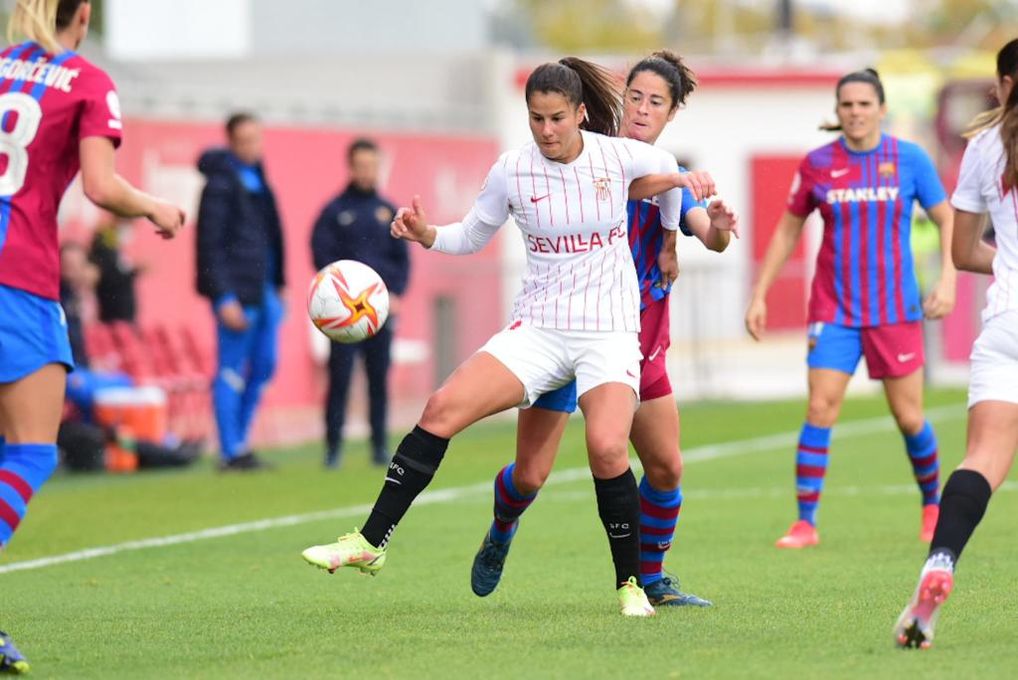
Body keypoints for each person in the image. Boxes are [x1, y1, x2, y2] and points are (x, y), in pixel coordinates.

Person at [301, 57, 715, 617]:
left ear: (581, 114)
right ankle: (370, 542)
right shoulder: (512, 169)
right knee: (442, 409)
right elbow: (472, 235)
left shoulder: (616, 156)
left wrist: (668, 240)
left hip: (608, 332)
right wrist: (427, 234)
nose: (546, 130)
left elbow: (670, 175)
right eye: (536, 118)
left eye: (557, 118)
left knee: (606, 447)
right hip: (539, 329)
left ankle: (631, 585)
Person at [469, 51, 739, 608]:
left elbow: (705, 232)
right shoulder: (596, 161)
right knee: (531, 475)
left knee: (665, 466)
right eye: (634, 97)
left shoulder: (669, 177)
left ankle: (650, 580)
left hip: (633, 344)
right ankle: (502, 527)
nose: (641, 109)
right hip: (566, 331)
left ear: (671, 113)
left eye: (655, 102)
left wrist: (717, 229)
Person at [0, 0, 185, 672]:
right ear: (83, 15)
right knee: (30, 451)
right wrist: (156, 206)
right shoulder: (85, 80)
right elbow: (102, 187)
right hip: (15, 278)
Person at [745, 68, 956, 549]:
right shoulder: (818, 163)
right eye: (847, 105)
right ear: (837, 111)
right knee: (820, 408)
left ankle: (932, 506)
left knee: (909, 418)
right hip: (833, 310)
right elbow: (788, 229)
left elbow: (947, 219)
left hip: (895, 310)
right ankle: (806, 522)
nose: (856, 112)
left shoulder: (909, 159)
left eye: (864, 104)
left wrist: (948, 280)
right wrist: (760, 293)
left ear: (882, 109)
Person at [893, 38, 1018, 650]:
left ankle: (941, 560)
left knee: (983, 459)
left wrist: (1009, 262)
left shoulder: (985, 145)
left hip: (1007, 324)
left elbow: (964, 251)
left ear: (1003, 85)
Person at [310, 138, 410, 469]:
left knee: (378, 379)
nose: (367, 172)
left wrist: (396, 292)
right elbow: (320, 255)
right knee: (339, 379)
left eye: (372, 166)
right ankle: (332, 448)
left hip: (379, 313)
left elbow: (402, 259)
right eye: (361, 166)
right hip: (343, 316)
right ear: (351, 167)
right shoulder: (334, 211)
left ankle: (379, 446)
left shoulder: (389, 211)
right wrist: (338, 295)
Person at [195, 112, 285, 471]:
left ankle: (243, 442)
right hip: (237, 293)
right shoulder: (219, 184)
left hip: (264, 291)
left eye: (256, 139)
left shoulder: (259, 177)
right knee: (231, 370)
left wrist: (280, 283)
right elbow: (209, 245)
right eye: (244, 140)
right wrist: (222, 296)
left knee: (265, 365)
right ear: (231, 142)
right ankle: (230, 450)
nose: (252, 146)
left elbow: (271, 236)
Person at [89, 219, 140, 324]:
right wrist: (133, 271)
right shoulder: (104, 237)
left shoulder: (115, 243)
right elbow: (107, 273)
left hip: (124, 308)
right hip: (112, 307)